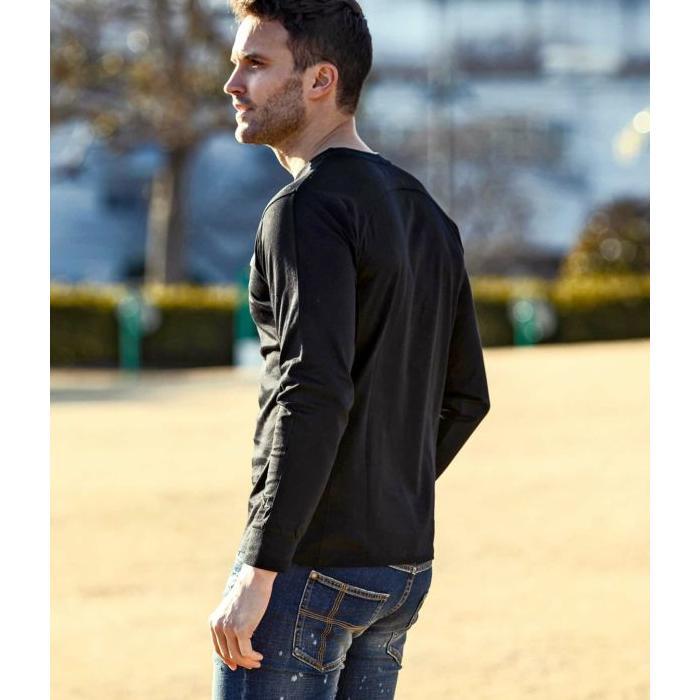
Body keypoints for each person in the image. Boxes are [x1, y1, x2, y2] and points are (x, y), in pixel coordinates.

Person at [210, 1, 491, 697]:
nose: (233, 84)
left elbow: (313, 390)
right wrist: (383, 494)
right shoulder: (428, 213)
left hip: (309, 566)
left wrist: (259, 567)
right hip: (399, 568)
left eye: (255, 63)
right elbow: (466, 398)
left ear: (319, 80)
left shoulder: (304, 210)